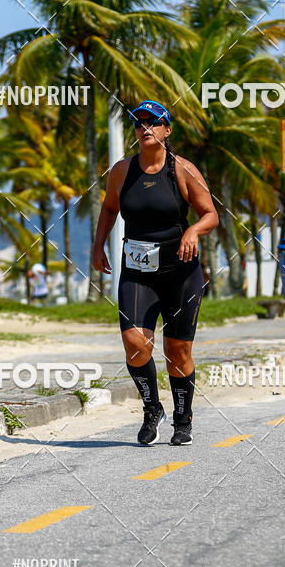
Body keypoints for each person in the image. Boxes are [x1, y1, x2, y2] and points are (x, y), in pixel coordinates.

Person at [92, 100, 218, 446]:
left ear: (167, 129)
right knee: (135, 344)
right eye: (138, 123)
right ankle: (152, 408)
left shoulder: (182, 170)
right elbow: (109, 208)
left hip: (181, 272)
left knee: (177, 351)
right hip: (138, 271)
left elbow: (210, 214)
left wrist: (193, 231)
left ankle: (183, 418)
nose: (145, 128)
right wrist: (97, 244)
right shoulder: (122, 171)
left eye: (153, 122)